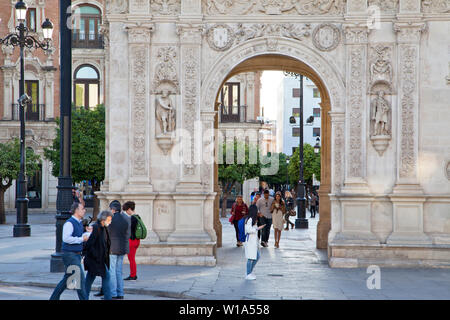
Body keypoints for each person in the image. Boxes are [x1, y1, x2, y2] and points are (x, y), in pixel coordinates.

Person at [50, 203, 89, 300]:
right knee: (80, 279)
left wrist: (87, 232)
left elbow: (77, 235)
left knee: (67, 279)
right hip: (70, 254)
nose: (84, 210)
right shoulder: (69, 223)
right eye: (82, 208)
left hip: (75, 255)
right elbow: (66, 238)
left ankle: (53, 298)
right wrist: (81, 239)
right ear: (76, 210)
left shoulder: (79, 222)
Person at [84, 210, 113, 300]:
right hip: (95, 259)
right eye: (109, 219)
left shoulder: (104, 228)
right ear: (103, 219)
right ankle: (108, 298)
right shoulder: (96, 227)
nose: (110, 221)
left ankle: (84, 296)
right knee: (105, 276)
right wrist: (96, 255)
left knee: (90, 278)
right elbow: (89, 244)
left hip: (101, 259)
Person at [108, 200, 131, 300]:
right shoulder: (125, 219)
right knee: (119, 271)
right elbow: (127, 235)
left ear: (113, 209)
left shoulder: (110, 219)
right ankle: (120, 293)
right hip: (122, 248)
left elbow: (106, 234)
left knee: (112, 271)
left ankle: (113, 293)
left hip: (112, 248)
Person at [244, 205, 266, 280]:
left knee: (256, 256)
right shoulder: (249, 219)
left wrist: (258, 228)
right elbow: (249, 230)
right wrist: (256, 229)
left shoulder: (252, 219)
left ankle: (249, 272)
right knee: (250, 258)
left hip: (253, 240)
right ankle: (248, 273)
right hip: (250, 240)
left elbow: (252, 228)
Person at [123, 201, 140, 281]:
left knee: (131, 259)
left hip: (131, 241)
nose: (126, 212)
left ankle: (133, 275)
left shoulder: (131, 218)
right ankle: (133, 274)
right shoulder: (137, 217)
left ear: (129, 209)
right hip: (137, 240)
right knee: (132, 258)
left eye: (126, 210)